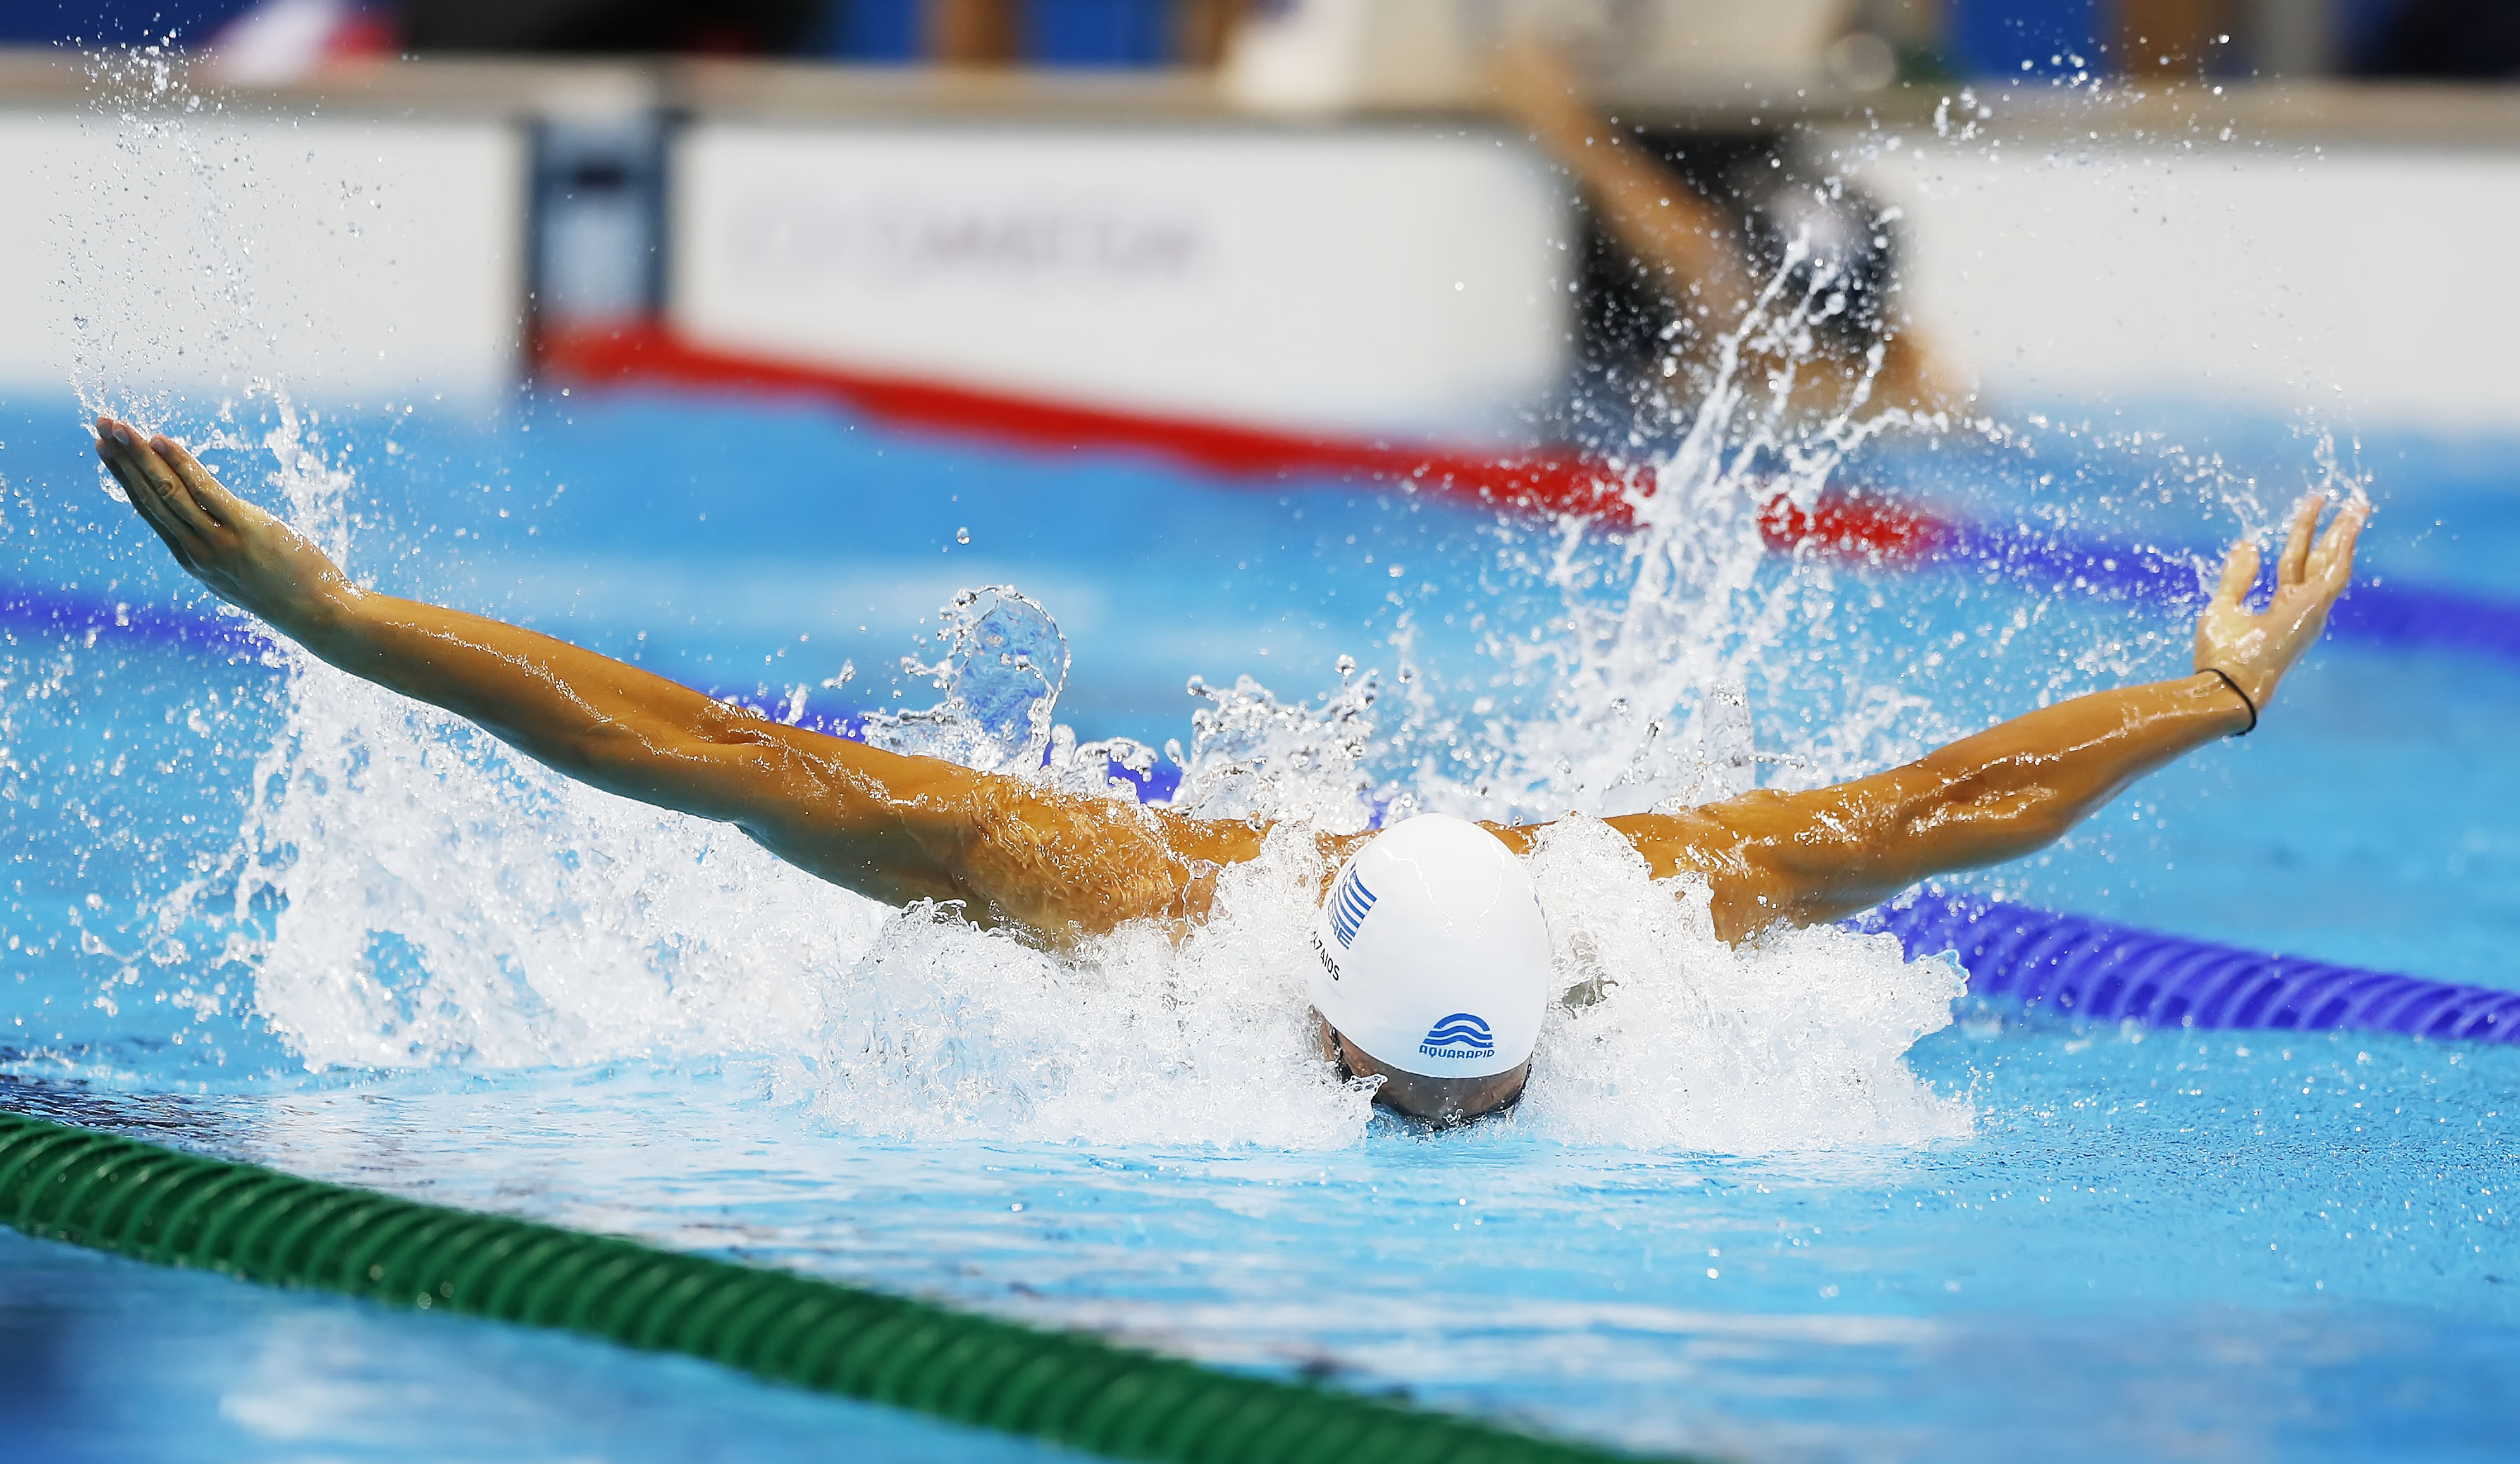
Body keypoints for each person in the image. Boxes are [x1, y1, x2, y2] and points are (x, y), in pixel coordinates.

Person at [93, 415, 2366, 1124]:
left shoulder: (1623, 909)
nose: (1433, 1127)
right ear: (1319, 1007)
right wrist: (341, 619)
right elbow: (708, 750)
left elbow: (1932, 810)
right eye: (1409, 1087)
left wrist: (2216, 694)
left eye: (1466, 1098)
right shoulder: (1126, 904)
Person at [1488, 38, 1965, 418]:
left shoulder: (1749, 405)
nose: (1703, 282)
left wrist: (1562, 123)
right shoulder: (1904, 390)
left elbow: (1694, 253)